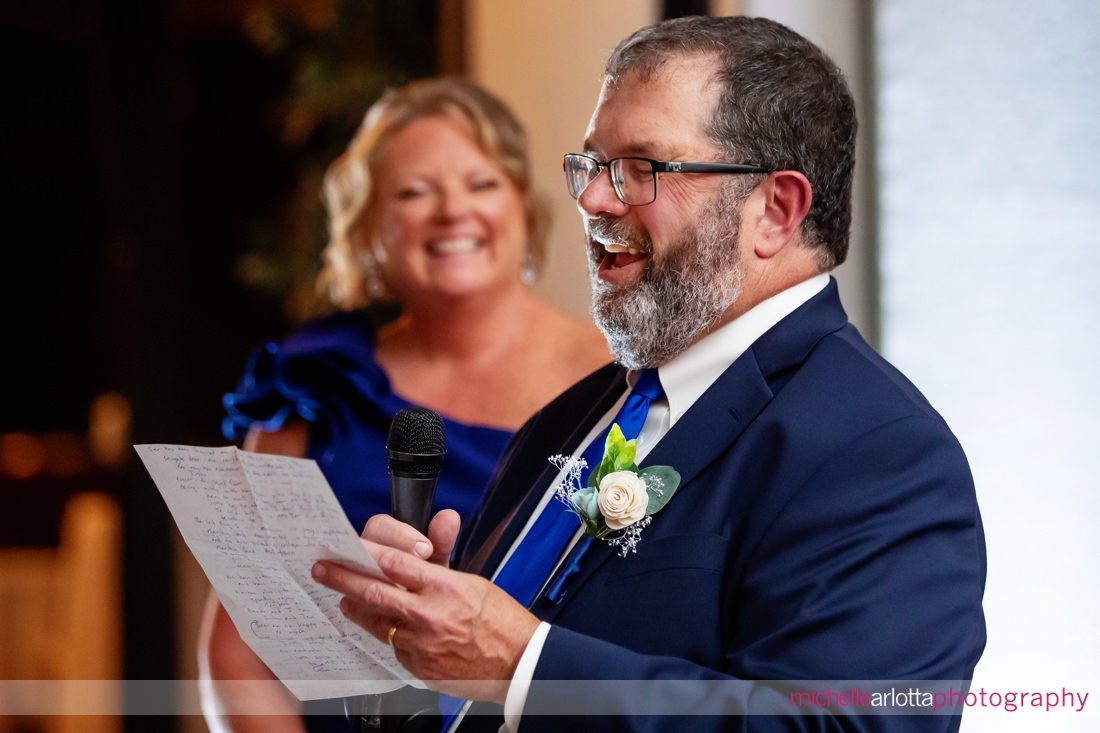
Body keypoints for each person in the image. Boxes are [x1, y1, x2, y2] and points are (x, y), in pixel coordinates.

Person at [313, 15, 987, 733]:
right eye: (594, 164)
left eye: (643, 168)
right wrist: (413, 633)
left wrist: (523, 664)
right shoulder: (574, 414)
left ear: (776, 210)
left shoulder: (882, 453)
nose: (594, 200)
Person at [197, 77, 611, 733]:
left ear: (522, 209)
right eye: (415, 192)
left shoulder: (617, 377)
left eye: (481, 184)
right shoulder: (315, 382)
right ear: (370, 231)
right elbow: (238, 646)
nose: (452, 211)